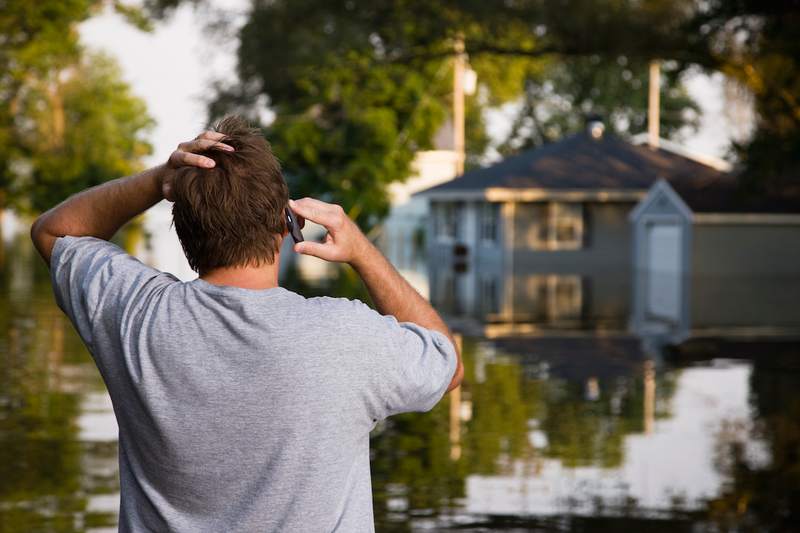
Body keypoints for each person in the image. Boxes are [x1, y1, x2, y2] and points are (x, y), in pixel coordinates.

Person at [30, 116, 463, 532]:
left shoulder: (136, 315)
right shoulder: (345, 335)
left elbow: (53, 233)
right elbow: (447, 363)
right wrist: (362, 251)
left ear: (184, 235)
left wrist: (160, 180)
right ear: (287, 225)